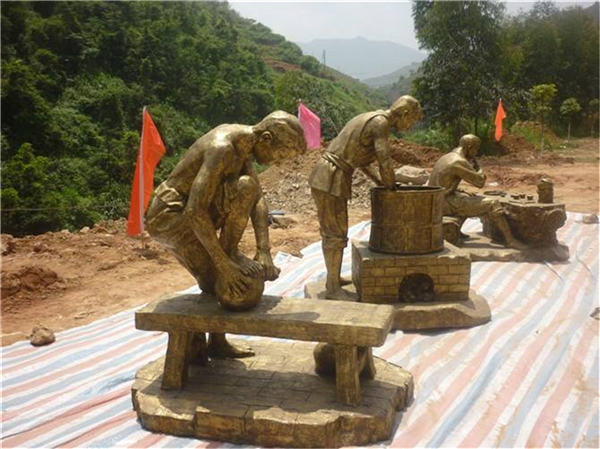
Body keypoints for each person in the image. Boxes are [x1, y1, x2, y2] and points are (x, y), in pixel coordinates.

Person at [146, 111, 306, 357]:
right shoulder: (223, 148)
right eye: (280, 154)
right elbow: (196, 211)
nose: (277, 162)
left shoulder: (244, 146)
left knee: (246, 187)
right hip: (170, 216)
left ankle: (214, 343)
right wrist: (223, 264)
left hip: (189, 211)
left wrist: (264, 250)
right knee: (215, 278)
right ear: (266, 139)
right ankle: (198, 346)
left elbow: (258, 199)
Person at [308, 96, 423, 300]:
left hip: (333, 174)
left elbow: (363, 162)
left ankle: (333, 278)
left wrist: (382, 183)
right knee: (334, 233)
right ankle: (332, 288)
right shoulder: (381, 123)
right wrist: (391, 186)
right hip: (331, 176)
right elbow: (384, 161)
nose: (410, 126)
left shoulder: (372, 117)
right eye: (412, 121)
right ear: (404, 114)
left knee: (337, 230)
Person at [428, 134, 527, 249]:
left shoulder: (447, 157)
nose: (476, 152)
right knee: (493, 204)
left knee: (469, 196)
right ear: (469, 147)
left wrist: (459, 190)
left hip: (438, 199)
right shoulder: (459, 161)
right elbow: (480, 182)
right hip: (445, 203)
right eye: (476, 149)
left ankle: (457, 230)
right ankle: (510, 240)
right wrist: (478, 166)